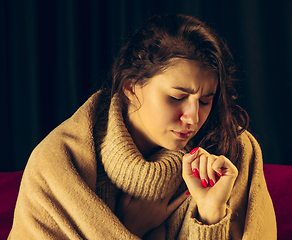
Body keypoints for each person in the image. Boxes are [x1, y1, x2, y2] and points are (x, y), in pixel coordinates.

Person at [9, 14, 276, 239]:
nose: (193, 118)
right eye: (177, 98)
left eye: (206, 101)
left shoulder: (231, 153)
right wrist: (129, 229)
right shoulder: (59, 165)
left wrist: (210, 215)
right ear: (131, 87)